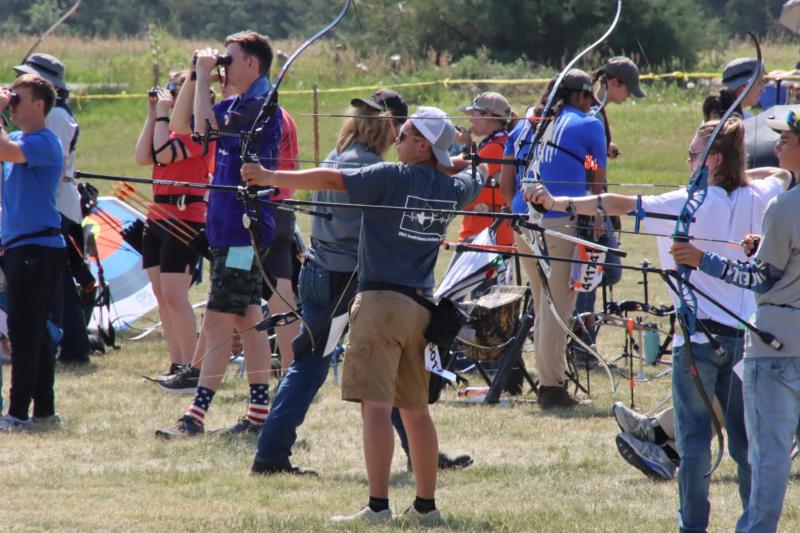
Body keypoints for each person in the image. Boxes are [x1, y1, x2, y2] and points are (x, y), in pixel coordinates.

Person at [526, 117, 792, 532]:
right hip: (746, 343)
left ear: (713, 159)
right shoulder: (763, 194)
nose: (687, 162)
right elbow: (783, 173)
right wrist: (737, 174)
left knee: (694, 443)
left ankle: (693, 527)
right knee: (745, 444)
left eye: (692, 155)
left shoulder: (684, 203)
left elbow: (616, 203)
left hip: (699, 340)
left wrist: (557, 202)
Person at [242, 106, 483, 524]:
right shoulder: (452, 189)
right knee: (416, 412)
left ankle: (378, 507)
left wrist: (268, 176)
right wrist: (454, 162)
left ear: (421, 145)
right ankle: (426, 509)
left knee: (375, 409)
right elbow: (475, 176)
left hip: (379, 307)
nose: (397, 139)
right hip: (421, 311)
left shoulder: (392, 176)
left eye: (404, 135)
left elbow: (331, 179)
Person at [670, 107, 800, 533]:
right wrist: (765, 245)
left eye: (786, 140)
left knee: (768, 456)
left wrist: (701, 259)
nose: (778, 146)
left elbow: (759, 279)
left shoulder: (783, 207)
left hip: (776, 347)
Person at [155, 30, 280, 438]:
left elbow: (207, 131)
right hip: (227, 230)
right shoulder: (238, 103)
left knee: (217, 320)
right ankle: (259, 413)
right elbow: (181, 125)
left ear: (252, 63)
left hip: (244, 234)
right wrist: (196, 77)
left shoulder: (259, 107)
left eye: (229, 60)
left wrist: (207, 74)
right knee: (248, 316)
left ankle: (195, 416)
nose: (222, 67)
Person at [512, 69, 609, 409]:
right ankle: (551, 387)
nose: (591, 105)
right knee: (558, 305)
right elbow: (596, 174)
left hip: (521, 218)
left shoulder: (527, 124)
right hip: (557, 220)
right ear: (580, 95)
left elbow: (510, 172)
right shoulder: (590, 124)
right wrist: (597, 217)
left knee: (543, 304)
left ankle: (548, 377)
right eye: (588, 98)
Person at [13, 53, 92, 364]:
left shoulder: (56, 115)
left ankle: (66, 342)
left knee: (56, 281)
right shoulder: (56, 113)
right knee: (59, 280)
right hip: (58, 203)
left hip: (56, 204)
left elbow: (55, 166)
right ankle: (72, 343)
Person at [134, 71, 213, 379]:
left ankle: (191, 366)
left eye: (176, 92)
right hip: (157, 215)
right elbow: (143, 157)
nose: (171, 97)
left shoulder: (200, 131)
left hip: (185, 218)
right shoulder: (163, 126)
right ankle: (177, 362)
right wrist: (153, 114)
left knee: (174, 295)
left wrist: (163, 116)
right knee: (161, 295)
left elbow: (163, 155)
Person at [0, 74, 66, 430]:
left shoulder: (44, 141)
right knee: (35, 332)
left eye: (17, 99)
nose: (12, 105)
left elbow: (5, 151)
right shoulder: (20, 140)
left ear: (39, 104)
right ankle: (43, 410)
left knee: (24, 332)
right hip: (20, 245)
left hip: (37, 247)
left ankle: (18, 413)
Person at [452, 91, 515, 246]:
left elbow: (457, 169)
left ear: (488, 115)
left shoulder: (496, 147)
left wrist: (463, 145)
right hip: (485, 232)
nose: (471, 120)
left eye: (474, 114)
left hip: (486, 235)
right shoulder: (498, 142)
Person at [265, 107, 301, 374]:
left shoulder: (255, 113)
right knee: (282, 291)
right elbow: (294, 167)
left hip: (262, 210)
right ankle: (291, 368)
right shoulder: (284, 114)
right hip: (281, 206)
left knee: (239, 291)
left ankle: (289, 368)